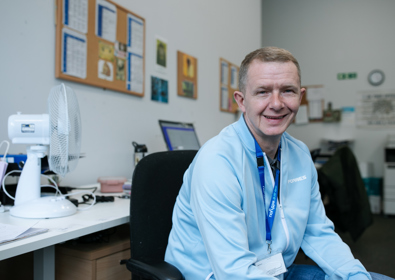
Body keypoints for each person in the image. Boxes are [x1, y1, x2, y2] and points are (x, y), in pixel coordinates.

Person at [165, 47, 393, 280]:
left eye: (287, 91)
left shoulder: (300, 154)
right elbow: (233, 271)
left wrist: (356, 276)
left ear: (300, 97)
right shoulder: (217, 161)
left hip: (275, 271)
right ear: (242, 101)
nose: (276, 103)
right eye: (263, 91)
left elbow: (318, 234)